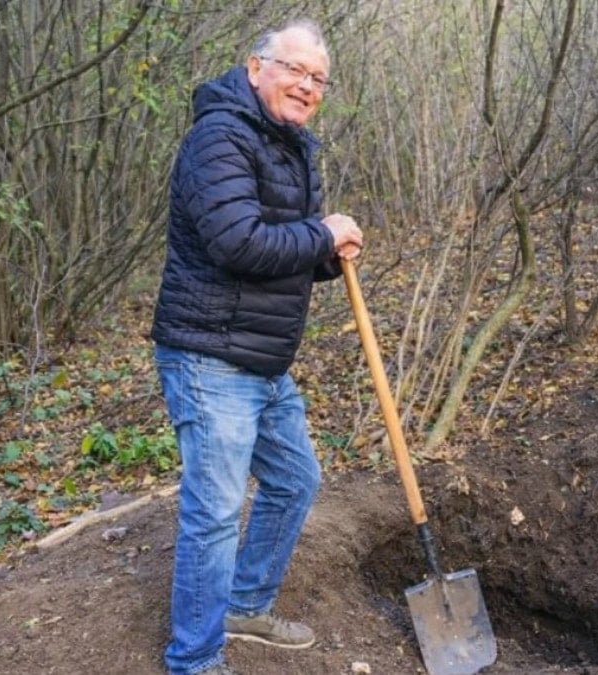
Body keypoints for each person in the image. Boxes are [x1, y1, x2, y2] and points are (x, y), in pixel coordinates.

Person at [149, 18, 363, 675]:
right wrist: (322, 237)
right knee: (214, 513)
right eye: (294, 70)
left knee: (295, 479)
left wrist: (330, 252)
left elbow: (289, 247)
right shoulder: (219, 137)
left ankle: (243, 603)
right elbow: (237, 242)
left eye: (317, 78)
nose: (306, 85)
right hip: (209, 353)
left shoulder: (295, 147)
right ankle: (195, 657)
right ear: (255, 67)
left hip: (262, 355)